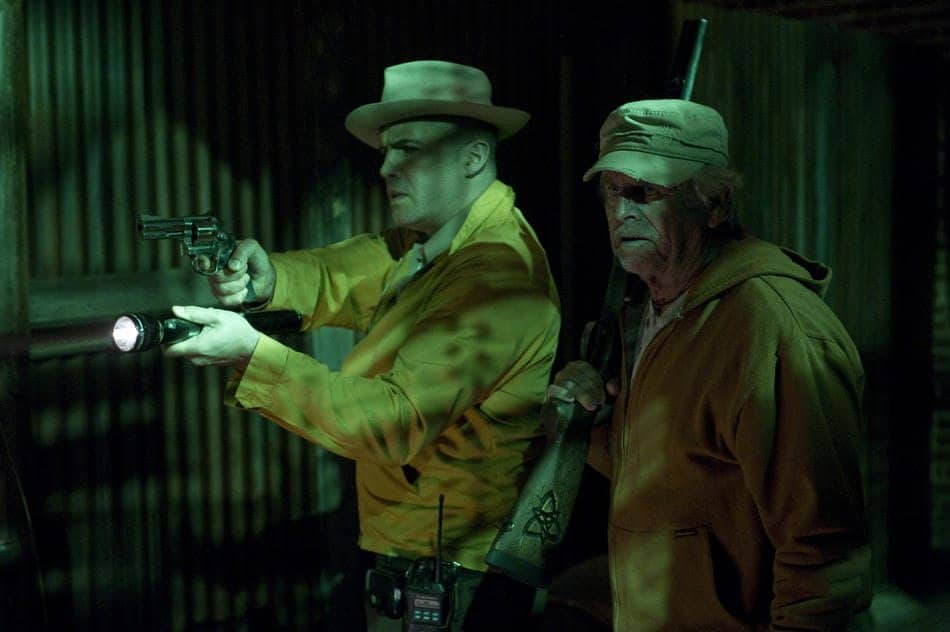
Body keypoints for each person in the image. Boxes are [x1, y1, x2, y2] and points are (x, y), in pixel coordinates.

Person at [164, 60, 560, 630]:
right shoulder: (432, 246)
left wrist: (253, 355)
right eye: (386, 150)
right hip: (421, 563)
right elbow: (351, 269)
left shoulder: (494, 276)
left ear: (473, 158)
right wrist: (269, 278)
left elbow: (394, 423)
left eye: (408, 149)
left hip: (457, 581)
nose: (386, 166)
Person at [551, 99, 872, 630]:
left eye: (646, 192)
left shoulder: (774, 330)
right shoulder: (647, 311)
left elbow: (825, 551)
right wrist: (592, 423)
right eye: (612, 190)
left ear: (715, 203)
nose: (622, 212)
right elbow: (677, 475)